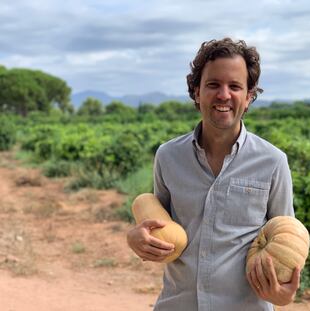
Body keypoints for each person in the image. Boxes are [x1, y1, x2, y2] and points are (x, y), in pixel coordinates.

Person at [127, 37, 300, 310]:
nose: (223, 95)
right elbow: (159, 227)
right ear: (196, 92)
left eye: (235, 86)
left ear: (249, 96)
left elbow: (288, 242)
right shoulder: (168, 156)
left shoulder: (273, 162)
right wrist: (136, 238)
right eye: (213, 85)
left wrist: (285, 294)